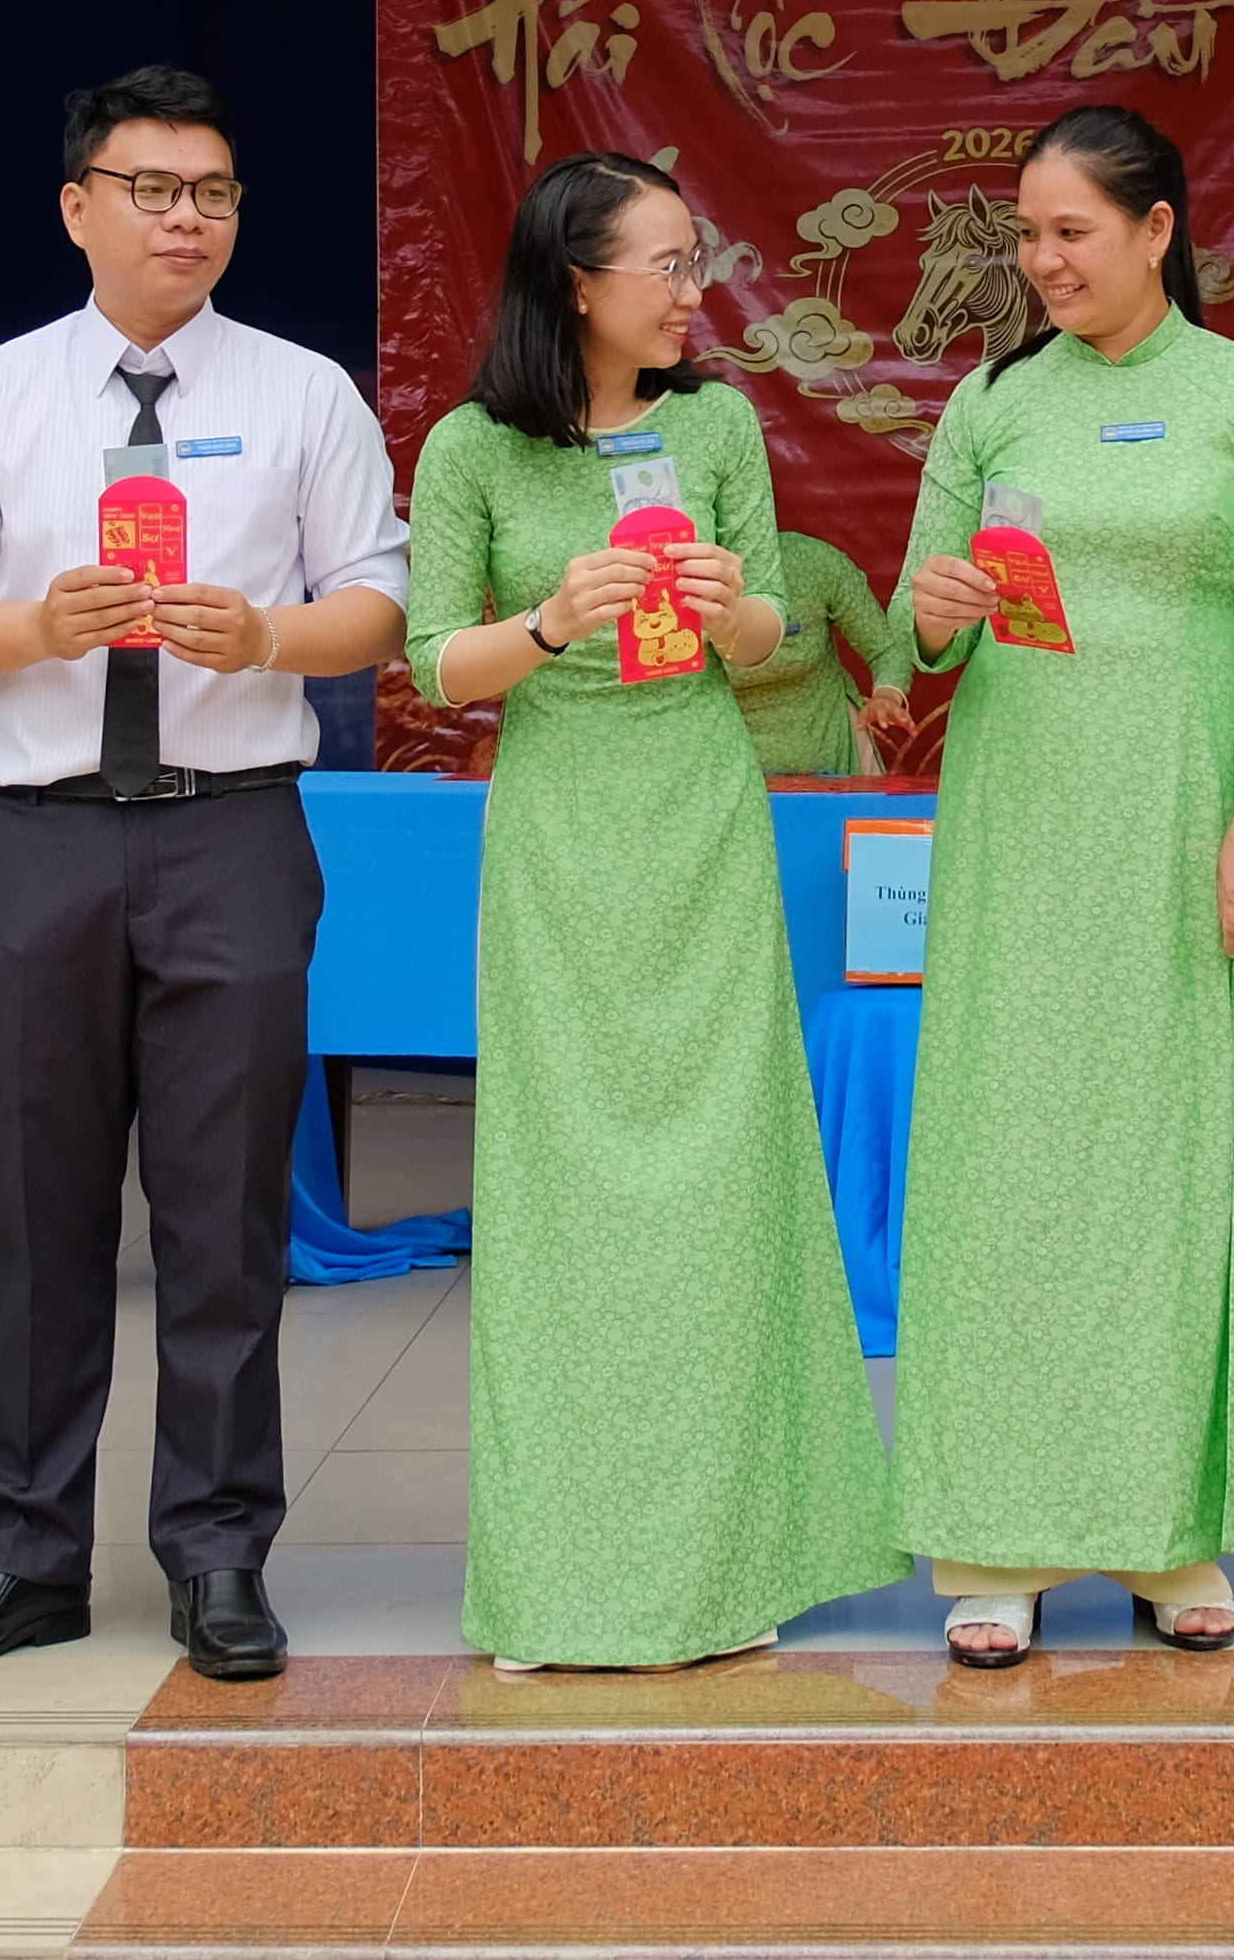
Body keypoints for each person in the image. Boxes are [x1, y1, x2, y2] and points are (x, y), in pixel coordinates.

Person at [0, 68, 411, 1685]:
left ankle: (219, 1552)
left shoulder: (302, 392)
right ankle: (23, 1551)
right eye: (153, 189)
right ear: (75, 206)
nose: (188, 219)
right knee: (36, 1211)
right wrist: (34, 625)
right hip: (35, 834)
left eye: (214, 193)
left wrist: (269, 638)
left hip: (227, 828)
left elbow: (374, 602)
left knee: (224, 1213)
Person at [404, 154, 904, 1671]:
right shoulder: (470, 450)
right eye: (668, 266)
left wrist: (721, 598)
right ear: (575, 282)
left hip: (701, 811)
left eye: (698, 262)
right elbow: (433, 663)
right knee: (564, 1195)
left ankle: (732, 1559)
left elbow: (766, 632)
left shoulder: (717, 426)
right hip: (560, 826)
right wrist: (551, 619)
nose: (696, 292)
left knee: (721, 1183)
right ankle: (560, 1578)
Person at [889, 104, 1234, 1667]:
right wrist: (935, 607)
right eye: (1027, 234)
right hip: (1018, 811)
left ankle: (1167, 1532)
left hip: (1181, 811)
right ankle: (998, 1533)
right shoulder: (992, 399)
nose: (1041, 260)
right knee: (1010, 1155)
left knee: (1169, 1158)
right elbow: (915, 639)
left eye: (1070, 230)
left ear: (1157, 230)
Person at [727, 528, 917, 778]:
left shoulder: (812, 561)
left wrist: (887, 695)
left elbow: (887, 648)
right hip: (722, 766)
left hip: (834, 749)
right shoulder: (679, 585)